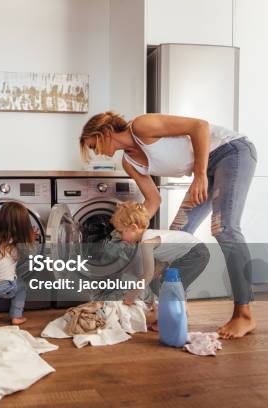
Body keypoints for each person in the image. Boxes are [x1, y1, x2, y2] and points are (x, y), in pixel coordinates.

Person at [80, 111, 257, 338]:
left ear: (105, 132)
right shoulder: (129, 162)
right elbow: (153, 201)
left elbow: (199, 125)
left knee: (224, 229)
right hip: (208, 168)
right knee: (175, 238)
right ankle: (176, 309)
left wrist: (200, 175)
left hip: (231, 152)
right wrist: (129, 227)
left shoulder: (142, 126)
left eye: (93, 146)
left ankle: (244, 314)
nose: (95, 153)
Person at [111, 201, 210, 329]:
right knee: (169, 284)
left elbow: (147, 275)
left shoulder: (147, 243)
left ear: (133, 228)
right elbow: (159, 267)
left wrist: (130, 297)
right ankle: (173, 317)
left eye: (121, 232)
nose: (121, 237)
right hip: (194, 252)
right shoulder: (150, 237)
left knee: (171, 286)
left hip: (194, 253)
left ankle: (175, 321)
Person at [0, 201, 38, 325]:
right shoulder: (17, 243)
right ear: (24, 225)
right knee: (21, 286)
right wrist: (31, 239)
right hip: (2, 286)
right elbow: (32, 256)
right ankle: (16, 316)